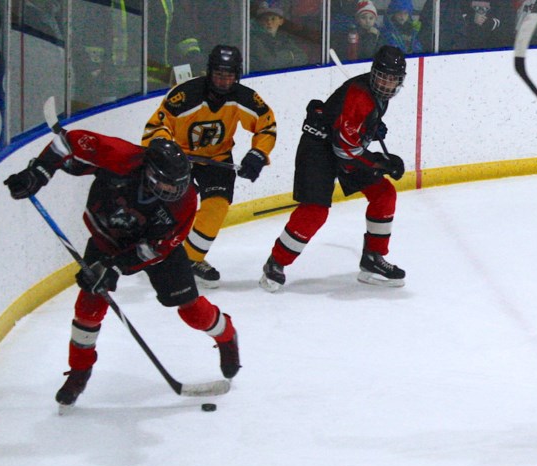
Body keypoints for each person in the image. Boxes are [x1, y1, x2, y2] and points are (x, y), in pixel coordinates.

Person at [3, 131, 240, 407]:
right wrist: (39, 173)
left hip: (155, 251)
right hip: (108, 238)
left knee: (192, 311)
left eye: (177, 184)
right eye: (165, 185)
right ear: (149, 172)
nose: (172, 191)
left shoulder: (184, 202)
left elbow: (155, 249)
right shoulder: (122, 156)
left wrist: (114, 267)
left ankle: (226, 335)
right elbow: (68, 142)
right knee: (87, 310)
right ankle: (79, 372)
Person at [259, 45, 408, 291]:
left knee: (384, 194)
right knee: (315, 211)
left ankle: (372, 259)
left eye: (393, 79)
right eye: (383, 77)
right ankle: (276, 263)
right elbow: (346, 153)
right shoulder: (360, 96)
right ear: (373, 73)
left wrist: (371, 128)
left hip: (342, 146)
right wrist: (381, 162)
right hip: (318, 147)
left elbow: (352, 135)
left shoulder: (378, 97)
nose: (387, 84)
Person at [143, 44, 277, 288]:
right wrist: (163, 147)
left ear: (237, 75)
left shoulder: (244, 98)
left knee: (217, 207)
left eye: (229, 76)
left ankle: (191, 260)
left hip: (218, 160)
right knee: (169, 208)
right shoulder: (185, 95)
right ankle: (153, 248)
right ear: (209, 72)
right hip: (180, 159)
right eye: (218, 75)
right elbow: (156, 126)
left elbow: (266, 125)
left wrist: (258, 153)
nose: (223, 81)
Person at [249, 0, 311, 72]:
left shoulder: (283, 37)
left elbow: (303, 58)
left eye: (273, 19)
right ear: (259, 22)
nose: (269, 22)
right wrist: (290, 55)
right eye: (265, 19)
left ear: (281, 21)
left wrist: (278, 59)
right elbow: (269, 65)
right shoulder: (254, 39)